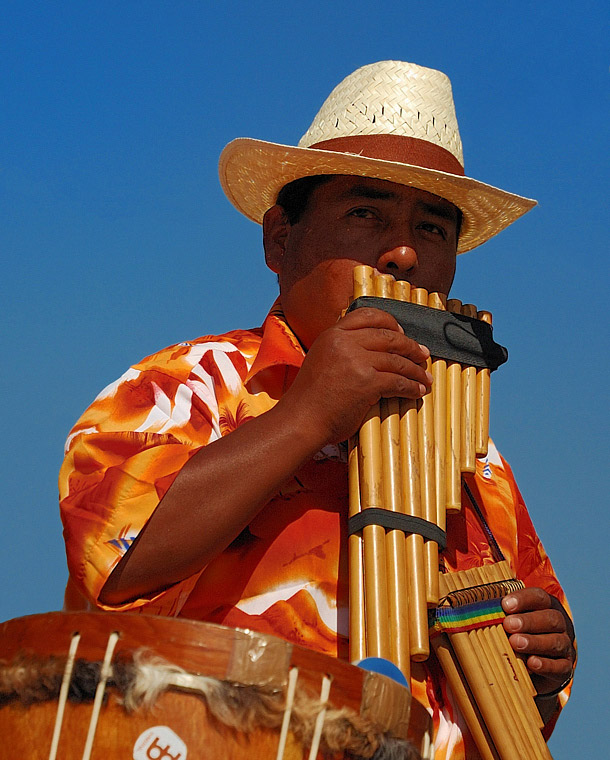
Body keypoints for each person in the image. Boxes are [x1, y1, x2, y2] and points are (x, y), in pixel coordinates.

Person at [59, 60, 575, 757]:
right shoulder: (187, 383)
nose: (401, 252)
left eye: (432, 229)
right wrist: (308, 415)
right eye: (365, 213)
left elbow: (513, 703)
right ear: (280, 238)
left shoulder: (478, 462)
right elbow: (114, 568)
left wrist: (543, 659)